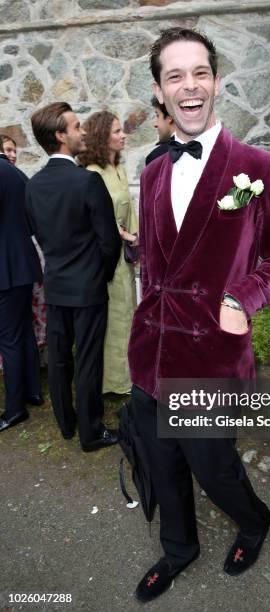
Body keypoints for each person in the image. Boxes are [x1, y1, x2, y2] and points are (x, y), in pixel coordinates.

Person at [127, 27, 270, 602]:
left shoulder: (257, 167)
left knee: (214, 469)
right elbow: (157, 263)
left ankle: (253, 523)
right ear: (159, 91)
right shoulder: (151, 172)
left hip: (209, 358)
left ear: (216, 82)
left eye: (199, 72)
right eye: (174, 76)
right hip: (149, 357)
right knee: (162, 465)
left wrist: (242, 298)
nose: (189, 85)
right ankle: (179, 548)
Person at [26, 102, 122, 452]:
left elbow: (35, 232)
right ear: (60, 135)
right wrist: (104, 275)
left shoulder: (33, 185)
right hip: (89, 287)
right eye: (76, 125)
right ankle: (91, 432)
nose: (82, 131)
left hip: (55, 285)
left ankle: (66, 424)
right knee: (88, 360)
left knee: (60, 358)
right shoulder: (87, 181)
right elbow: (109, 241)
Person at [77, 111, 138, 395]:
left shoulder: (119, 169)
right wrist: (121, 233)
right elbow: (93, 218)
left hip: (123, 255)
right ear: (103, 137)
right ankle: (109, 381)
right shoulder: (92, 174)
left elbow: (129, 209)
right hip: (104, 257)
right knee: (112, 316)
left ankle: (124, 376)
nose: (123, 135)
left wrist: (135, 238)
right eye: (116, 131)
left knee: (126, 314)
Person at [0, 148, 43, 432]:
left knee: (9, 338)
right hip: (21, 261)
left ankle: (15, 409)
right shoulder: (15, 172)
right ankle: (32, 391)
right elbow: (31, 218)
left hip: (4, 266)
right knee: (22, 330)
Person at [145, 96, 175, 165]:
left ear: (169, 118)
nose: (155, 124)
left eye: (158, 115)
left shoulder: (157, 157)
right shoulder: (199, 148)